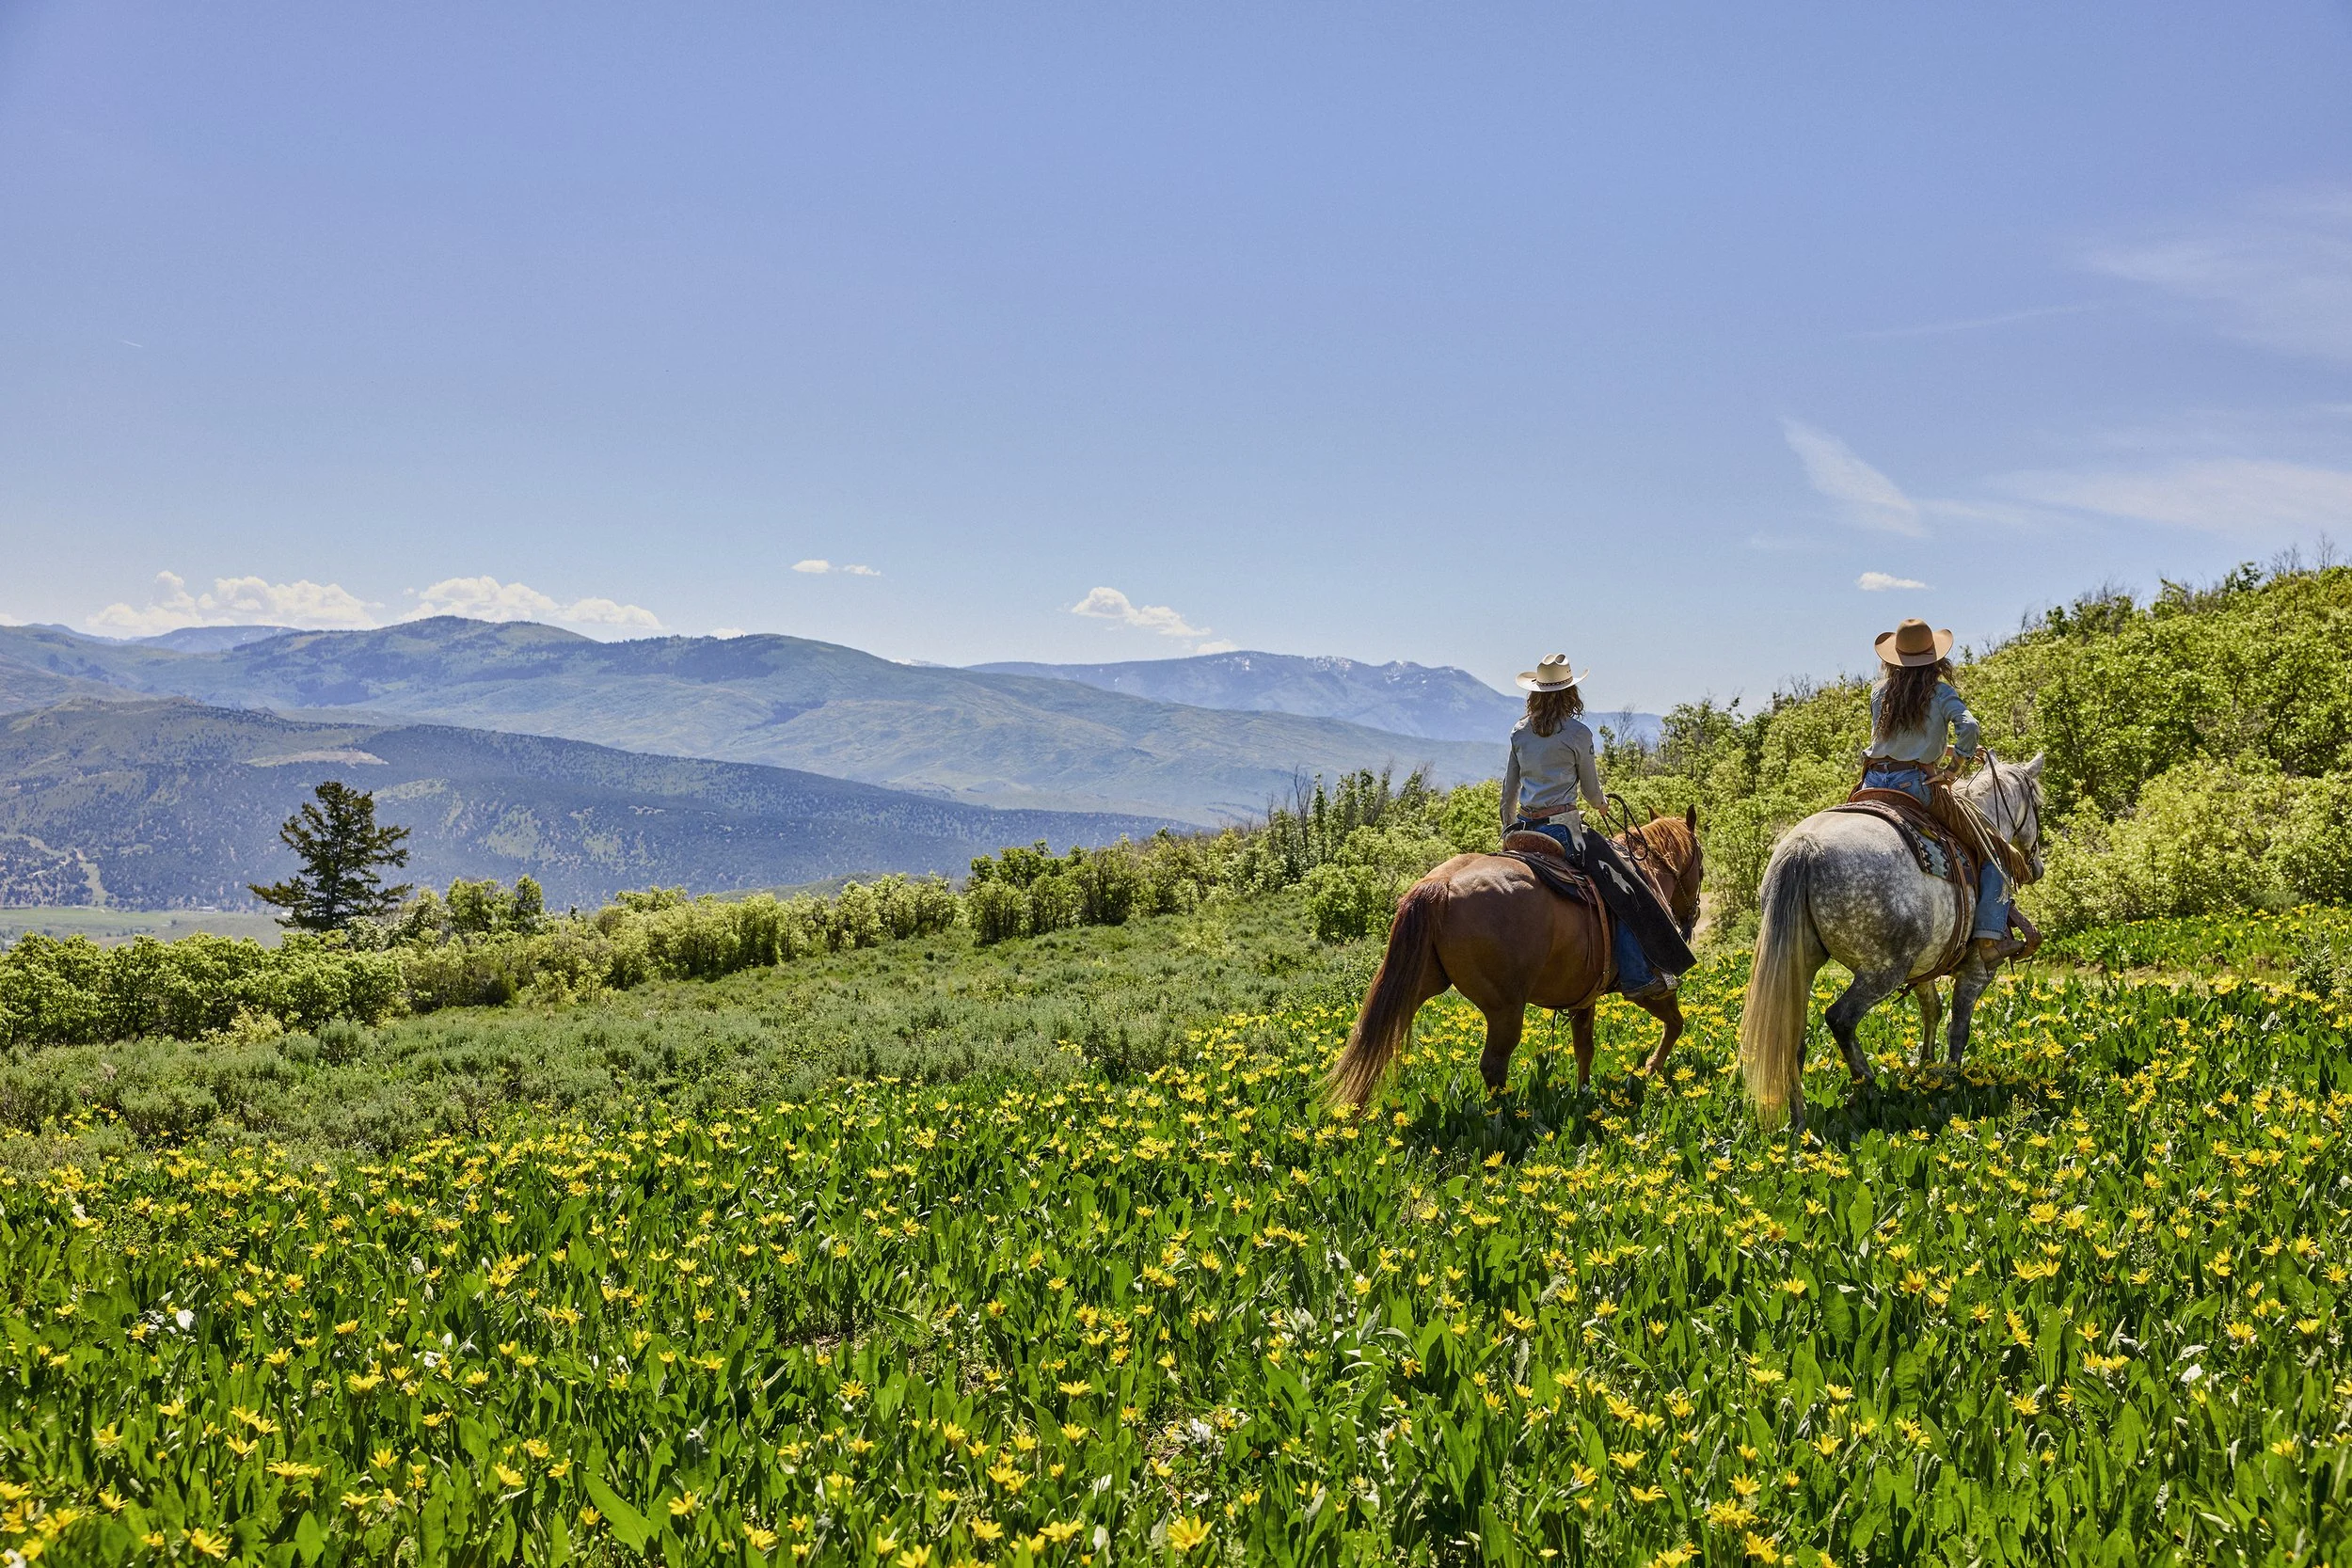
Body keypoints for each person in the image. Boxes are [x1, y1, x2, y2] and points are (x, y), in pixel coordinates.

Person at [1499, 654, 1691, 1004]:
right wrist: (1601, 804)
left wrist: (1510, 832)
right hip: (1563, 831)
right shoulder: (1577, 733)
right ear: (1571, 692)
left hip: (1522, 831)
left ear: (1535, 693)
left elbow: (1507, 793)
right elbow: (1590, 791)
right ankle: (1635, 974)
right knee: (1627, 881)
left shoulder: (1519, 732)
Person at [1864, 618, 2026, 962]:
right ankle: (1988, 940)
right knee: (1993, 850)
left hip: (1872, 783)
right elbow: (1969, 727)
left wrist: (1943, 751)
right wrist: (1953, 769)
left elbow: (1895, 741)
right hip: (1915, 786)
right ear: (1935, 659)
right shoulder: (1939, 692)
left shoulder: (1879, 692)